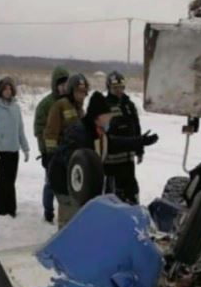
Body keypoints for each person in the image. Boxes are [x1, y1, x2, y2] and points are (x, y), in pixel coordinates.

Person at [48, 92, 158, 227]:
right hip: (64, 183)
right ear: (97, 117)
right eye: (107, 117)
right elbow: (70, 159)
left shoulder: (98, 131)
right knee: (71, 222)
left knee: (82, 219)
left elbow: (113, 143)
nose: (109, 120)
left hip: (81, 184)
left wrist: (140, 141)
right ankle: (64, 245)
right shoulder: (79, 132)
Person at [44, 73, 89, 227]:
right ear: (71, 91)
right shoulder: (60, 105)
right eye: (78, 92)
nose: (81, 96)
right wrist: (50, 155)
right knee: (66, 202)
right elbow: (50, 132)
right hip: (61, 161)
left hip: (75, 161)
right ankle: (63, 231)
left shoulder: (81, 109)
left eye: (84, 92)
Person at [0, 77, 30, 217]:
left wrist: (25, 148)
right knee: (2, 180)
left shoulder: (15, 107)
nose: (8, 91)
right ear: (0, 90)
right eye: (5, 89)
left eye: (10, 88)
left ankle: (11, 209)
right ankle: (0, 209)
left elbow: (20, 129)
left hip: (14, 150)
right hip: (1, 151)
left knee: (11, 181)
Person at [33, 66, 70, 223]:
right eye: (61, 84)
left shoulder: (71, 102)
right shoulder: (45, 104)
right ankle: (48, 211)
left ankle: (68, 211)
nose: (63, 87)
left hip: (68, 151)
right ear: (55, 85)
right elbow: (39, 129)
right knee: (50, 183)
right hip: (52, 152)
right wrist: (46, 152)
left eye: (66, 84)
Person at [104, 71, 143, 204]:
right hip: (111, 161)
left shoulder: (129, 105)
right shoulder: (104, 106)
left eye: (121, 87)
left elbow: (136, 128)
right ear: (109, 87)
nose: (119, 91)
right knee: (113, 194)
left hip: (128, 158)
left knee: (131, 190)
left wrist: (139, 149)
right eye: (115, 88)